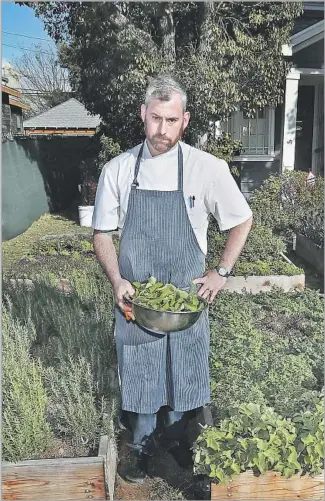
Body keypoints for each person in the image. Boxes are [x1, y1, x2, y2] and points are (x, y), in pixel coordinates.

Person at [92, 74, 253, 483]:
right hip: (136, 300)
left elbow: (241, 220)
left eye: (171, 120)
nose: (162, 130)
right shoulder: (119, 169)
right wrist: (116, 281)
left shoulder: (206, 168)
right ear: (143, 115)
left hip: (186, 299)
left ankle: (182, 442)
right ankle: (143, 445)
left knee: (186, 370)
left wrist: (220, 273)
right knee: (141, 368)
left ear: (185, 121)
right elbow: (102, 234)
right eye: (155, 118)